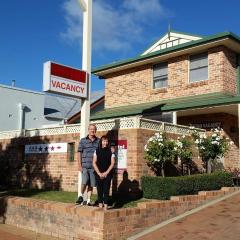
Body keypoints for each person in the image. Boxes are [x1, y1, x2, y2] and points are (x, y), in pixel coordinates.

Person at [76, 124, 99, 205]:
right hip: (85, 166)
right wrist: (79, 165)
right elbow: (79, 153)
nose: (92, 131)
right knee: (84, 182)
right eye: (91, 129)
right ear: (88, 130)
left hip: (94, 167)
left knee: (91, 184)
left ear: (95, 131)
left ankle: (88, 200)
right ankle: (80, 196)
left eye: (94, 129)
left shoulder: (98, 141)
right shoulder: (83, 140)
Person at [93, 135, 115, 210]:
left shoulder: (111, 151)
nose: (105, 143)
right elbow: (94, 162)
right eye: (103, 141)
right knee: (99, 190)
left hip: (108, 174)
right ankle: (100, 204)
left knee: (106, 189)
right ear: (101, 142)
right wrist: (99, 173)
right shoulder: (96, 150)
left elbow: (112, 163)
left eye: (106, 141)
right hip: (98, 173)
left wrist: (106, 173)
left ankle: (105, 205)